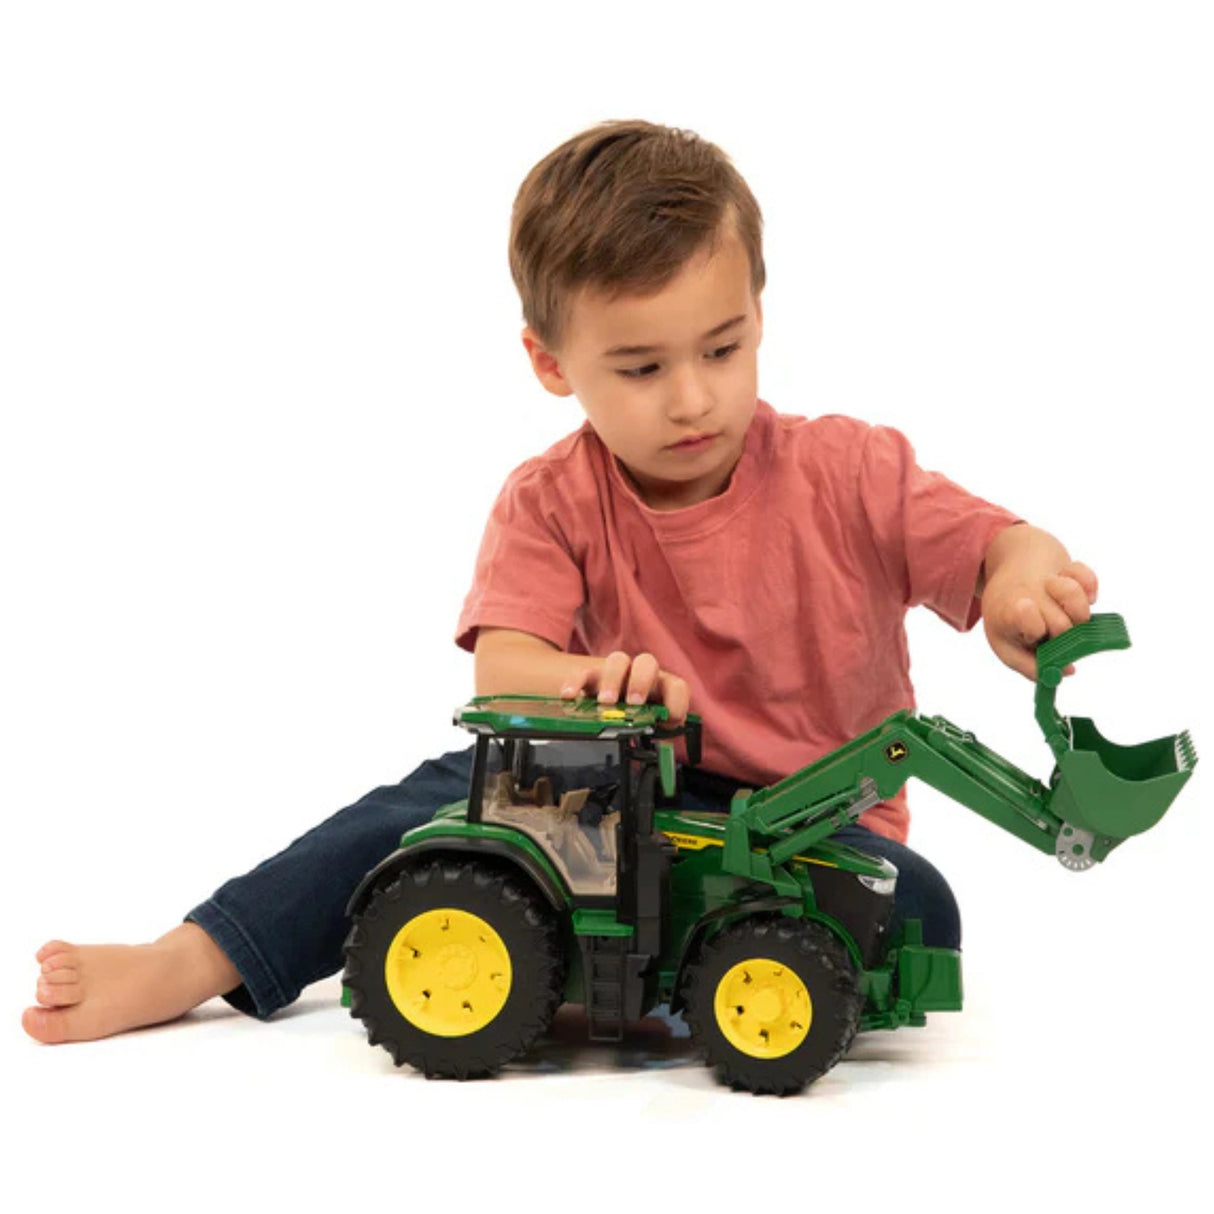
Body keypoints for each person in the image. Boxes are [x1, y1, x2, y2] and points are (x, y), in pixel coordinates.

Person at [23, 119, 1097, 1045]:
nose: (690, 398)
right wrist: (583, 683)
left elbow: (1003, 543)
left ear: (759, 313)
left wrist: (1020, 586)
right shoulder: (551, 499)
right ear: (550, 362)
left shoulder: (852, 471)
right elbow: (506, 667)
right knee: (415, 809)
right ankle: (194, 956)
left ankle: (637, 986)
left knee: (920, 909)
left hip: (808, 824)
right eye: (638, 367)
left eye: (719, 349)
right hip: (607, 796)